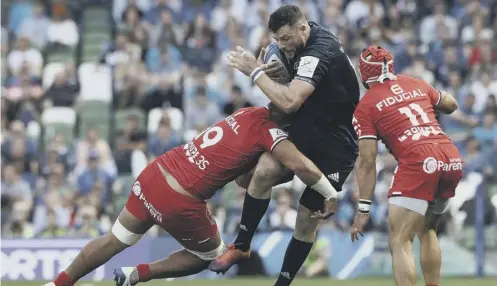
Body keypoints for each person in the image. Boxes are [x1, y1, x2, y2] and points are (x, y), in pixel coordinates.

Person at [46, 105, 339, 286]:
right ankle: (136, 275)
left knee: (115, 239)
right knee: (212, 257)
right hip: (180, 196)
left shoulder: (247, 112)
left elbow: (239, 177)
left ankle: (60, 283)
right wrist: (330, 193)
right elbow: (301, 165)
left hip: (156, 172)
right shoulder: (271, 133)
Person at [210, 5, 360, 285]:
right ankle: (241, 246)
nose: (281, 45)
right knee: (262, 172)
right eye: (277, 39)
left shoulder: (319, 50)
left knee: (306, 218)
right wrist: (271, 64)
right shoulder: (288, 44)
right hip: (304, 129)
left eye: (285, 39)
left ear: (303, 29)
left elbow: (290, 100)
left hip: (337, 146)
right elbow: (276, 64)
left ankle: (283, 283)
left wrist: (257, 74)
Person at [349, 45, 462, 286]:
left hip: (419, 159)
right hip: (449, 156)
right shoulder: (415, 82)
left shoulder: (365, 106)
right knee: (428, 229)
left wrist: (363, 210)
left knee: (400, 239)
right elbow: (451, 104)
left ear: (364, 74)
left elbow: (367, 161)